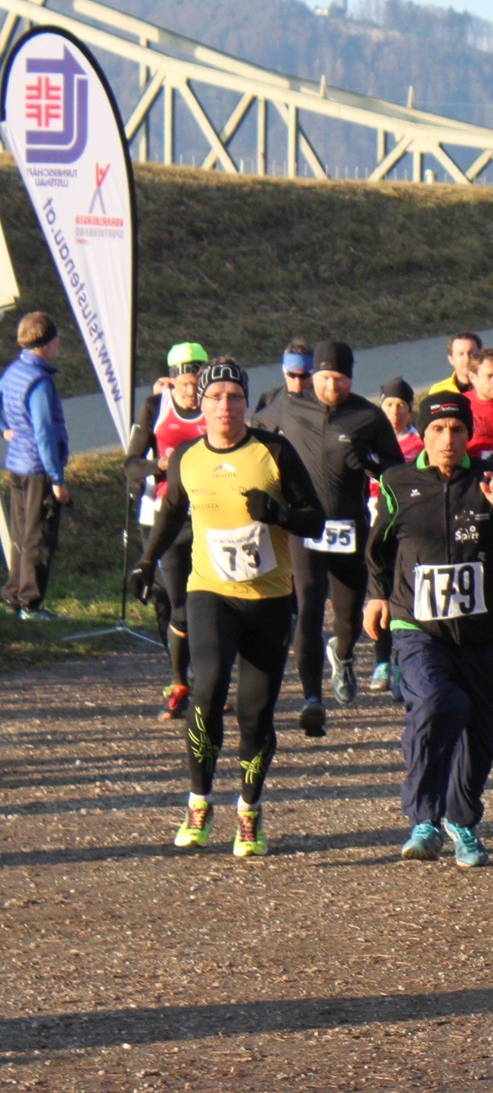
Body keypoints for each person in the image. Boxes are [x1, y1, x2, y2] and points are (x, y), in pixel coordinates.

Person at [127, 359, 326, 856]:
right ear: (202, 404)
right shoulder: (187, 457)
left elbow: (315, 519)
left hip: (268, 599)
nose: (224, 406)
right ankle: (199, 802)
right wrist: (146, 563)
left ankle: (249, 810)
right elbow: (171, 512)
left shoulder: (273, 451)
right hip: (210, 592)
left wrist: (278, 513)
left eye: (234, 397)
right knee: (208, 689)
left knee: (256, 715)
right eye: (215, 397)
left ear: (245, 403)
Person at [364, 392, 493, 867]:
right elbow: (378, 547)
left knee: (480, 734)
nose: (448, 439)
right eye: (438, 430)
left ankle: (462, 820)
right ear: (423, 435)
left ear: (469, 434)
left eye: (457, 430)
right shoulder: (398, 483)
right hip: (418, 626)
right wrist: (377, 594)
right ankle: (424, 818)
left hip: (483, 632)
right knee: (438, 702)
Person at [254, 340, 406, 738]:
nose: (331, 386)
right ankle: (312, 698)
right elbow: (253, 436)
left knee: (349, 614)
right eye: (324, 378)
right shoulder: (289, 406)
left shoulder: (367, 416)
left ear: (350, 379)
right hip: (305, 526)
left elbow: (396, 469)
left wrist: (370, 465)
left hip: (348, 527)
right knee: (307, 604)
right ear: (314, 376)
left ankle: (343, 654)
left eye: (339, 379)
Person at [124, 342, 210, 715]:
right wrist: (158, 465)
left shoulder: (217, 405)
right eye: (185, 385)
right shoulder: (155, 407)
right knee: (179, 605)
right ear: (172, 382)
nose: (192, 393)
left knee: (212, 603)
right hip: (168, 518)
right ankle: (180, 684)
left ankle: (209, 682)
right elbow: (129, 464)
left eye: (197, 384)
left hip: (208, 513)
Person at [1, 312, 69, 620]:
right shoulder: (40, 382)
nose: (58, 346)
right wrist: (57, 479)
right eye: (56, 341)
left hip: (16, 464)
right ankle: (30, 602)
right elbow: (44, 432)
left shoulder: (14, 371)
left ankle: (13, 595)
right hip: (37, 467)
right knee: (38, 535)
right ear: (47, 344)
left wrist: (4, 428)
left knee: (20, 534)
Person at [367, 378, 424, 698]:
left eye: (401, 405)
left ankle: (402, 660)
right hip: (375, 524)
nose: (395, 411)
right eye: (389, 404)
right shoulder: (370, 440)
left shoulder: (419, 443)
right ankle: (381, 661)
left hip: (407, 527)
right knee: (379, 592)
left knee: (403, 593)